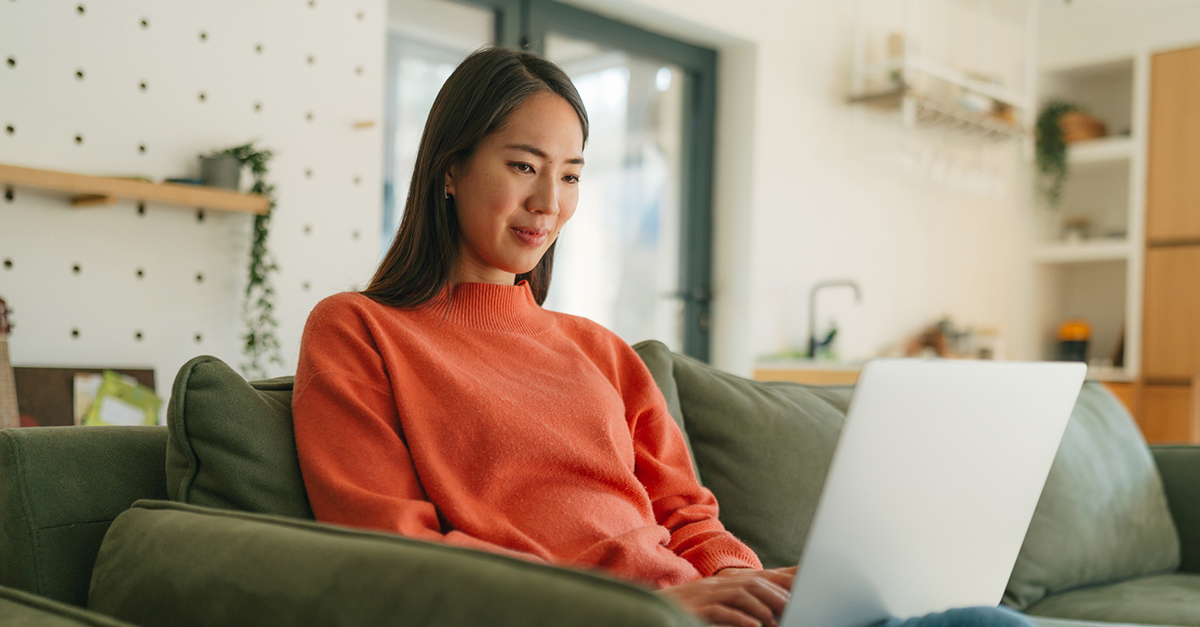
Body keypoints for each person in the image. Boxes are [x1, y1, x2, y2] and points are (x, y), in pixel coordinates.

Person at [291, 46, 1033, 627]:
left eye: (573, 176)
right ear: (450, 169)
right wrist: (638, 611)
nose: (549, 203)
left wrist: (745, 578)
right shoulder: (359, 330)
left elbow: (686, 515)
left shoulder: (600, 350)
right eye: (523, 166)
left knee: (984, 619)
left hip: (705, 611)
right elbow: (390, 549)